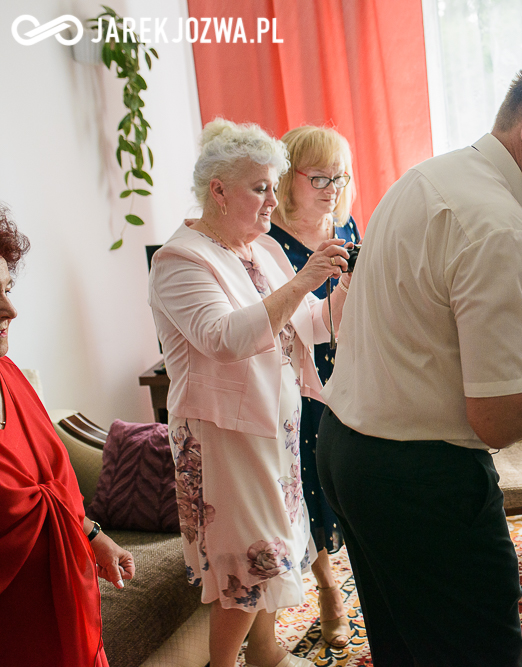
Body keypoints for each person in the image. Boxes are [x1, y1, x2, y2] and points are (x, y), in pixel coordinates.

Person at [315, 61, 522, 666]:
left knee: (406, 645)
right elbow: (501, 418)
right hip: (419, 480)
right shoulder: (500, 226)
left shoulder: (427, 178)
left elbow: (420, 329)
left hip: (349, 451)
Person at [148, 119, 350, 667]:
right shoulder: (180, 259)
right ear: (218, 190)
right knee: (246, 561)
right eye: (259, 188)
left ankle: (266, 653)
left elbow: (307, 324)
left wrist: (344, 296)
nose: (271, 202)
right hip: (222, 438)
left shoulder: (259, 250)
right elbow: (224, 338)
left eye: (272, 186)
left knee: (272, 548)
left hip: (271, 427)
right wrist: (306, 279)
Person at [0, 203, 135, 666]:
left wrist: (95, 535)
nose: (10, 310)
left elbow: (53, 488)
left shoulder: (9, 376)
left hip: (69, 609)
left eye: (8, 288)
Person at [267, 125, 359, 648]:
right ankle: (327, 587)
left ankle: (355, 572)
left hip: (346, 368)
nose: (331, 187)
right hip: (290, 377)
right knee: (308, 478)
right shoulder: (264, 241)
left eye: (339, 177)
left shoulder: (346, 229)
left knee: (349, 475)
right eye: (319, 176)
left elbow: (351, 314)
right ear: (287, 179)